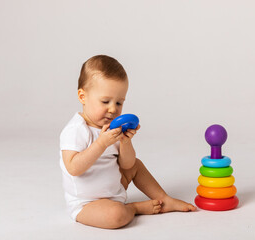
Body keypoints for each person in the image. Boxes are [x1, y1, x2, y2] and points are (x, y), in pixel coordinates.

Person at [60, 55, 196, 229]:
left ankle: (164, 199)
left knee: (135, 165)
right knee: (116, 216)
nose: (113, 109)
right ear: (82, 96)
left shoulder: (112, 129)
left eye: (119, 102)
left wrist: (125, 142)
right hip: (87, 203)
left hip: (115, 190)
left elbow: (127, 164)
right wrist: (101, 143)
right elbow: (73, 168)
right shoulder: (76, 130)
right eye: (105, 101)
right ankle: (134, 208)